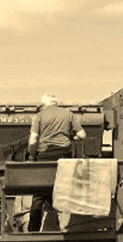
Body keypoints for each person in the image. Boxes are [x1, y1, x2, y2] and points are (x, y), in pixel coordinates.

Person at [26, 94, 86, 232]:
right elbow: (82, 135)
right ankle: (67, 227)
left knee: (39, 194)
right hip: (64, 156)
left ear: (43, 105)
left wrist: (32, 156)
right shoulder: (69, 114)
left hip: (45, 156)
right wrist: (71, 139)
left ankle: (33, 229)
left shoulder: (39, 116)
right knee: (63, 190)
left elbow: (34, 139)